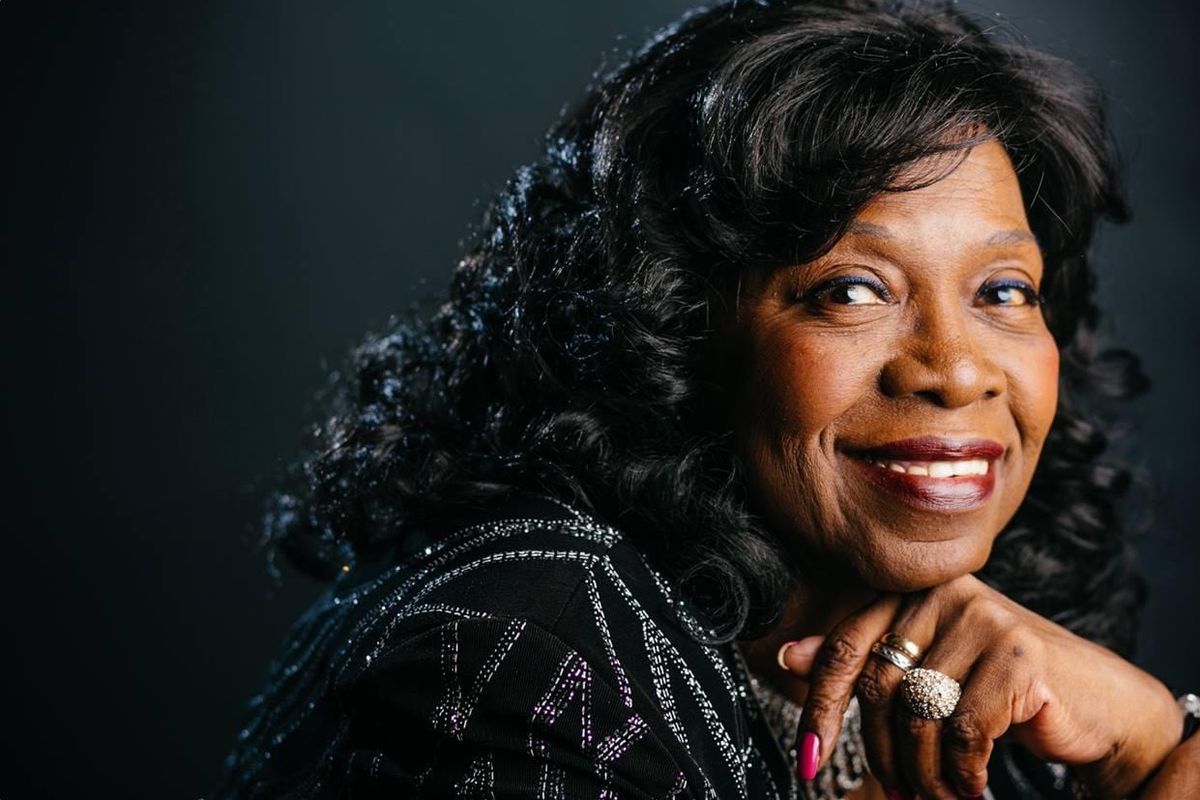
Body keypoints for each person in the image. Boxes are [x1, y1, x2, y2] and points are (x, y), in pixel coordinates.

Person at [216, 1, 1200, 798]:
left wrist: (1153, 732)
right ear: (678, 327)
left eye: (1004, 292)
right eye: (852, 290)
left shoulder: (993, 667)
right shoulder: (523, 651)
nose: (955, 368)